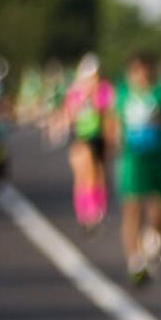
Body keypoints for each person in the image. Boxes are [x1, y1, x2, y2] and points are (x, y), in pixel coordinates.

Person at [112, 54, 161, 286]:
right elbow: (113, 123)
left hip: (158, 157)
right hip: (133, 159)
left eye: (145, 70)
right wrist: (115, 141)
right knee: (132, 208)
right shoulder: (122, 95)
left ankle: (153, 240)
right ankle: (135, 262)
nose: (141, 76)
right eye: (136, 71)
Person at [63, 54, 114, 232]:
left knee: (99, 175)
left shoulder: (104, 89)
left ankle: (98, 211)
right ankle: (86, 213)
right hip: (82, 137)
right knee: (84, 175)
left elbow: (108, 114)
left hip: (99, 137)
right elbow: (70, 114)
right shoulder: (76, 92)